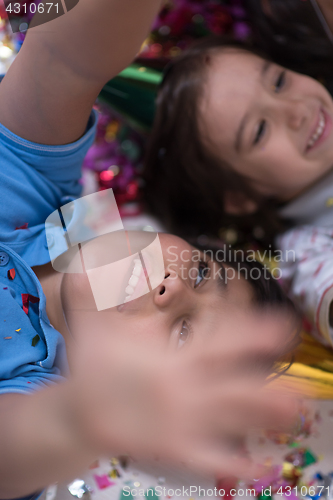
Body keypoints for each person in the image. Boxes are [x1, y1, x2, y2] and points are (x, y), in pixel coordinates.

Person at [0, 1, 299, 498]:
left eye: (183, 335)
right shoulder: (38, 190)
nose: (172, 287)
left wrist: (84, 417)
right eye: (203, 274)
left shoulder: (31, 393)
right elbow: (67, 61)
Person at [143, 30, 333, 347]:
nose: (297, 110)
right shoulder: (306, 253)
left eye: (278, 82)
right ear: (239, 197)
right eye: (259, 131)